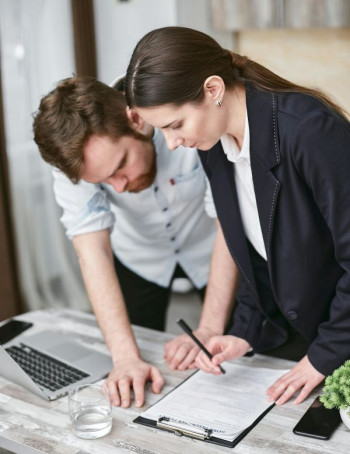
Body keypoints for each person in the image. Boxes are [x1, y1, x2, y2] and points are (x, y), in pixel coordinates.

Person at [124, 26, 350, 406]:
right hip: (305, 331)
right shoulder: (213, 144)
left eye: (175, 125)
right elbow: (256, 250)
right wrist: (246, 330)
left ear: (213, 90)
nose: (173, 143)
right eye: (161, 131)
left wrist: (322, 356)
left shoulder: (310, 130)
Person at [33, 76, 235, 408]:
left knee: (234, 351)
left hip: (211, 246)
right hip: (139, 257)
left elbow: (229, 225)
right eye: (104, 182)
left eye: (121, 166)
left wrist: (210, 326)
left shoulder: (187, 122)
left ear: (136, 120)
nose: (120, 187)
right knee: (136, 353)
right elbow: (92, 253)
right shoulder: (74, 162)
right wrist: (125, 359)